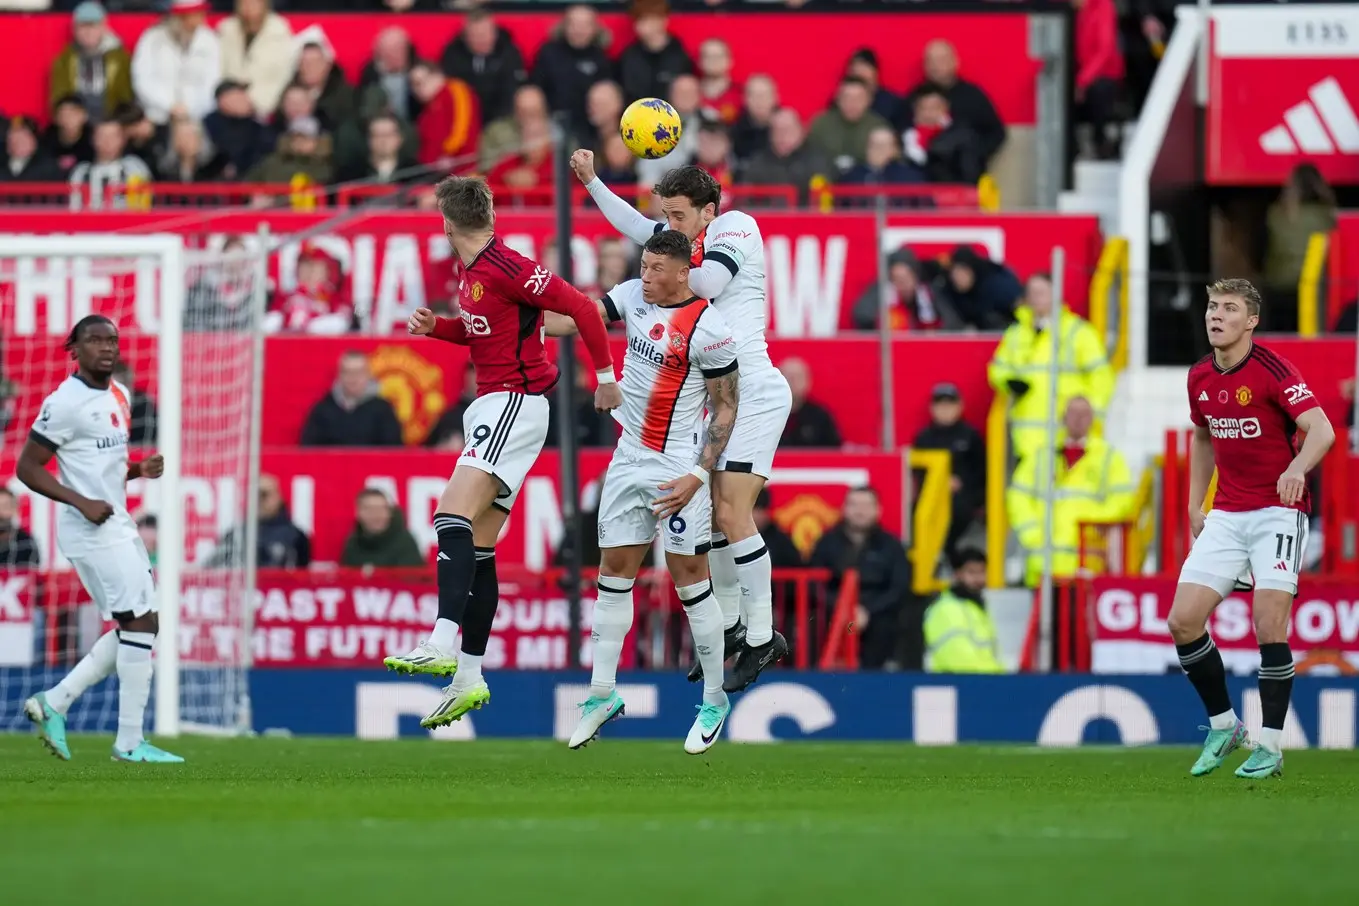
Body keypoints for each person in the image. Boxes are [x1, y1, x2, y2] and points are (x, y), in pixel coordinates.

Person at [383, 175, 619, 729]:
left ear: (447, 224)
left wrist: (606, 377)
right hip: (501, 403)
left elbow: (583, 307)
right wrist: (439, 329)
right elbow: (484, 332)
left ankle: (441, 640)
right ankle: (468, 675)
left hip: (513, 400)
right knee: (480, 547)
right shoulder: (475, 275)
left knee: (449, 516)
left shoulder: (509, 266)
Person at [571, 155, 792, 691]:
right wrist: (593, 183)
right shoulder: (685, 235)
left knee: (732, 513)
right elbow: (635, 225)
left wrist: (660, 273)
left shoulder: (736, 227)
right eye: (664, 216)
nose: (668, 225)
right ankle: (736, 627)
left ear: (707, 210)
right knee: (715, 517)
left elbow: (710, 283)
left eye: (676, 215)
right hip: (720, 398)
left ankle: (763, 637)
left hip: (754, 390)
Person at [544, 229, 740, 754]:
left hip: (678, 468)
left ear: (683, 273)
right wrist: (515, 312)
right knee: (613, 576)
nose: (646, 276)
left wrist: (698, 476)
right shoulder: (631, 295)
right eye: (644, 266)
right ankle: (601, 694)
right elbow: (574, 319)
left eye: (657, 269)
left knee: (689, 581)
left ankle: (716, 698)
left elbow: (725, 408)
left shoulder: (711, 330)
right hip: (628, 459)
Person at [1174, 278, 1334, 779]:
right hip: (1226, 513)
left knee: (1269, 624)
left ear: (1251, 320)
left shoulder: (1273, 371)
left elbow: (1322, 430)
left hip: (1276, 514)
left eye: (1228, 308)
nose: (1215, 316)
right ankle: (1226, 726)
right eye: (1211, 307)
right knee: (1182, 621)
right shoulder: (1199, 375)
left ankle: (1270, 745)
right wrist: (1197, 500)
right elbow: (1202, 435)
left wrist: (1295, 470)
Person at [16, 314, 182, 764]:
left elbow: (97, 463)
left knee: (140, 625)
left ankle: (55, 701)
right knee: (140, 625)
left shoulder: (120, 394)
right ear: (75, 348)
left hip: (116, 520)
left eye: (112, 340)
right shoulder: (64, 402)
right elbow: (27, 468)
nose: (106, 347)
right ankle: (128, 742)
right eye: (94, 340)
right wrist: (82, 502)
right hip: (88, 527)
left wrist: (135, 470)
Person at [922, 547, 1003, 673]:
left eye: (982, 572)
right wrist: (998, 676)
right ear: (958, 574)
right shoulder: (947, 609)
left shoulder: (976, 607)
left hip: (978, 682)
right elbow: (959, 659)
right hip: (958, 685)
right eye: (971, 572)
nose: (978, 579)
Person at [341, 489, 425, 569]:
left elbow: (411, 580)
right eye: (370, 509)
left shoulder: (405, 543)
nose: (377, 515)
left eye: (382, 509)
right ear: (358, 513)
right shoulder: (353, 543)